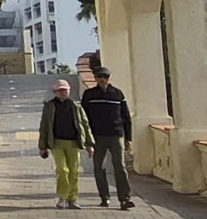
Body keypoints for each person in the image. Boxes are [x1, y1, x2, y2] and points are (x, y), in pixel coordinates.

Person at [79, 64, 135, 209]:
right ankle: (104, 196)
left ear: (109, 78)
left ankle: (125, 199)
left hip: (116, 135)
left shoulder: (117, 94)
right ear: (95, 78)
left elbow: (126, 117)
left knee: (120, 166)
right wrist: (87, 139)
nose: (103, 79)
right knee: (99, 167)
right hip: (97, 136)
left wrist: (128, 138)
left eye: (105, 77)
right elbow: (83, 118)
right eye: (100, 77)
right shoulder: (89, 95)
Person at [37, 79, 87, 209]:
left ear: (69, 91)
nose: (63, 93)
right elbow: (44, 126)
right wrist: (42, 147)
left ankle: (72, 199)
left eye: (65, 90)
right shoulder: (49, 106)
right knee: (62, 170)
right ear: (55, 92)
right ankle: (62, 198)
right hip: (57, 143)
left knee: (74, 171)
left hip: (74, 143)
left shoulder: (76, 106)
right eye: (60, 90)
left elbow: (84, 124)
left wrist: (90, 144)